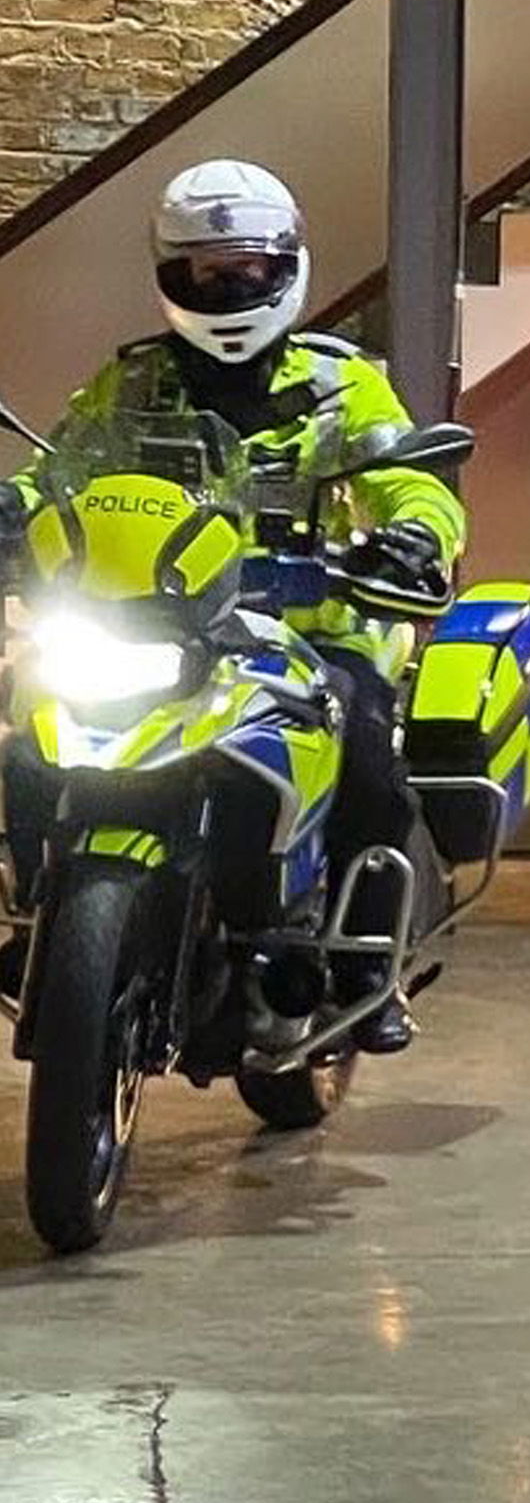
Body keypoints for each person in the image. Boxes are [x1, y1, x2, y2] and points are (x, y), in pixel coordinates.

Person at [0, 159, 462, 1053]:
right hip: (151, 619)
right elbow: (57, 471)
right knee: (30, 733)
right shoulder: (130, 385)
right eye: (209, 271)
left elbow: (412, 478)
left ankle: (368, 959)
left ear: (286, 265)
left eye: (248, 267)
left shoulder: (343, 384)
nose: (231, 286)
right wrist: (14, 509)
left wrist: (413, 536)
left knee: (367, 740)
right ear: (172, 274)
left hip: (310, 626)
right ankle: (42, 920)